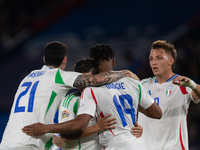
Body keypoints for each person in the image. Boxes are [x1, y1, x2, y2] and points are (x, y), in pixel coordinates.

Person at [0, 41, 137, 150]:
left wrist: (51, 135)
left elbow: (31, 114)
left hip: (7, 141)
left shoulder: (28, 77)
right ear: (64, 60)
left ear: (44, 59)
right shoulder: (59, 76)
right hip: (30, 145)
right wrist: (124, 73)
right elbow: (97, 79)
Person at [22, 44, 162, 150]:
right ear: (113, 62)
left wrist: (45, 128)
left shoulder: (93, 91)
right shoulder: (132, 83)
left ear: (93, 63)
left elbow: (79, 125)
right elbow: (157, 113)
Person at [138, 40, 200, 150]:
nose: (154, 62)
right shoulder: (142, 85)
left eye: (159, 58)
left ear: (171, 61)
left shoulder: (181, 83)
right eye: (151, 59)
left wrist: (192, 85)